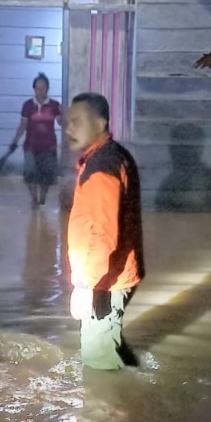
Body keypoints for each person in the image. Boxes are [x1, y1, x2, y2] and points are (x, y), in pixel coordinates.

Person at [64, 92, 143, 370]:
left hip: (106, 281)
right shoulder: (110, 155)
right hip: (114, 273)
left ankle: (109, 409)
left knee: (98, 363)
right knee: (111, 342)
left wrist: (87, 286)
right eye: (67, 122)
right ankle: (138, 391)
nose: (69, 129)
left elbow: (103, 234)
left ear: (100, 124)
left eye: (77, 121)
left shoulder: (102, 166)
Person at [10, 72, 62, 207]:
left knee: (46, 176)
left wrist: (65, 116)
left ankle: (42, 198)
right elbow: (23, 125)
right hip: (30, 146)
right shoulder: (27, 105)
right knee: (30, 174)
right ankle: (34, 199)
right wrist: (15, 141)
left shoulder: (55, 105)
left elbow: (62, 122)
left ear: (47, 89)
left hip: (49, 146)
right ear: (34, 89)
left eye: (43, 88)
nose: (40, 91)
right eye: (38, 88)